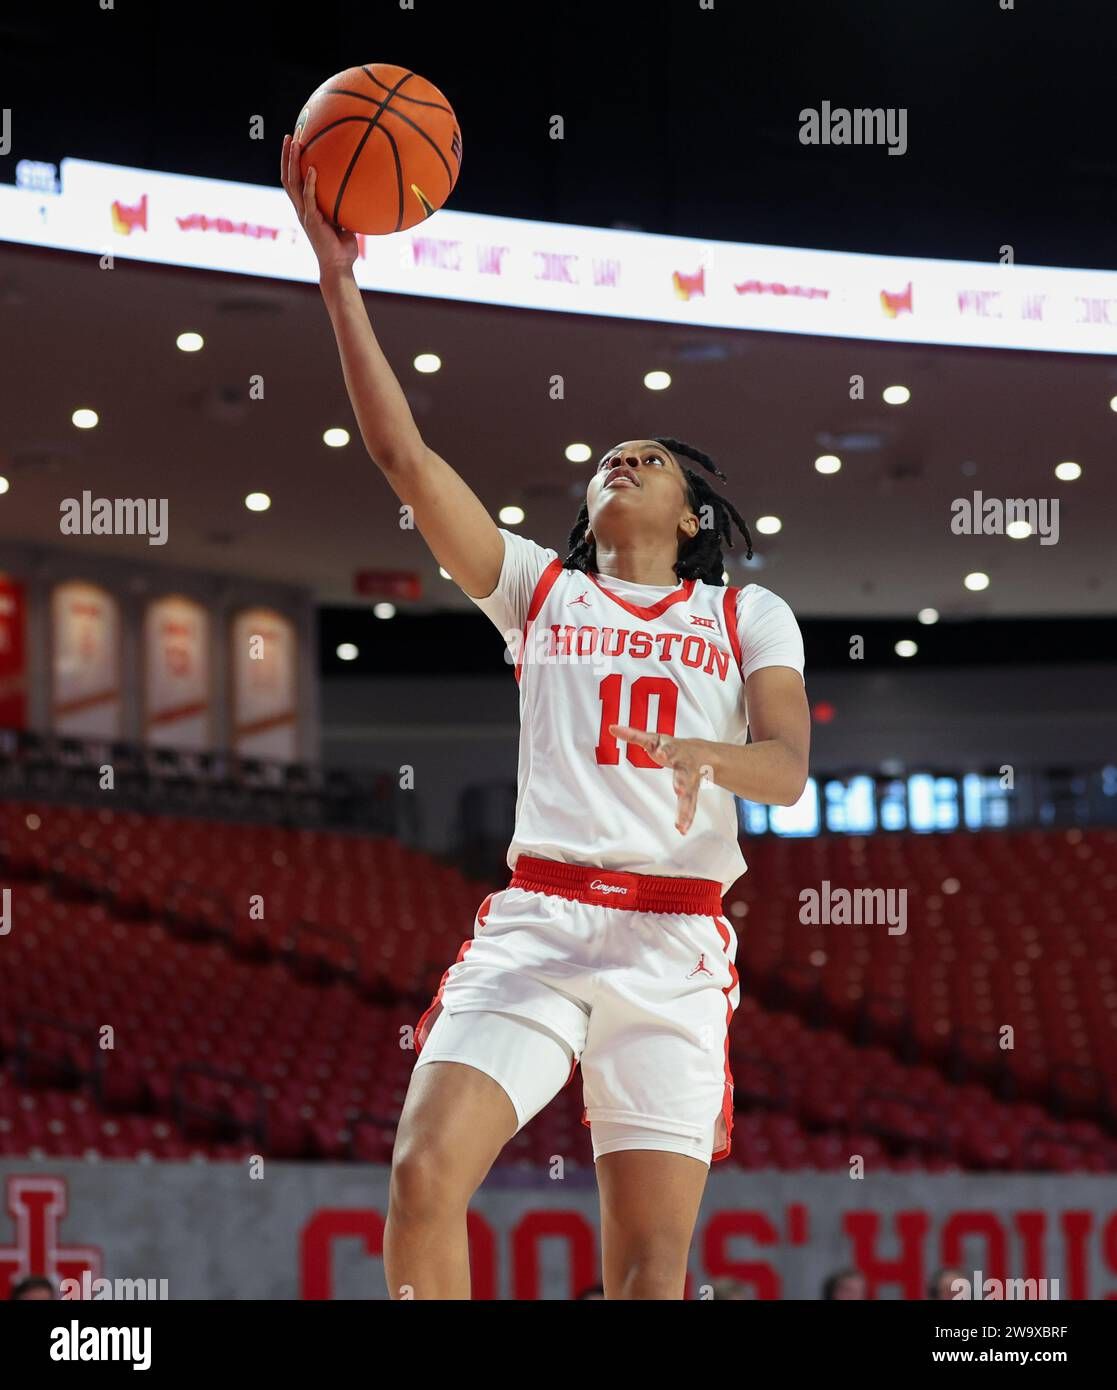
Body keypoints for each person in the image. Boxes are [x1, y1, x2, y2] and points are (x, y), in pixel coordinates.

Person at [282, 135, 810, 1301]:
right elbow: (404, 459)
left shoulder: (746, 612)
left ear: (691, 518)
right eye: (611, 456)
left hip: (673, 943)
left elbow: (783, 772)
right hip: (539, 923)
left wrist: (706, 751)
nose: (627, 457)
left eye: (655, 459)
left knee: (646, 1270)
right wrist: (337, 278)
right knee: (423, 1174)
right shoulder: (541, 591)